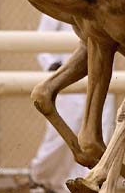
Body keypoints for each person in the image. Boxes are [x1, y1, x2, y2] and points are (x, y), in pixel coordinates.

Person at [29, 15, 114, 193]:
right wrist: (54, 66)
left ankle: (90, 181)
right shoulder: (60, 2)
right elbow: (42, 38)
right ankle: (41, 177)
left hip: (101, 75)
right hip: (68, 79)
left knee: (101, 130)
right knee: (60, 135)